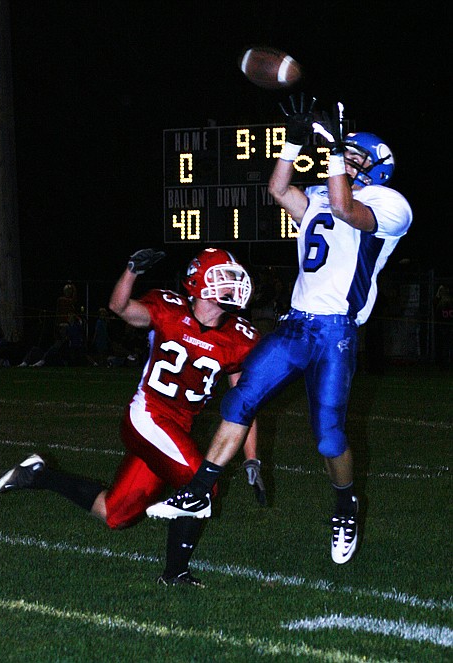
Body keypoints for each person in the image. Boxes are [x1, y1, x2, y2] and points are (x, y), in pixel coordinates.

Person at [146, 94, 413, 566]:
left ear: (377, 170)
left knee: (328, 436)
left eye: (356, 156)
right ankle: (200, 490)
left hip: (337, 332)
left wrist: (332, 150)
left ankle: (346, 504)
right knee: (241, 396)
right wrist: (292, 142)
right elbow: (277, 189)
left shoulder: (389, 205)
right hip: (295, 324)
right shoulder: (318, 196)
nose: (347, 159)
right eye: (344, 153)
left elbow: (346, 208)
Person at [0, 247, 264, 586]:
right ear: (197, 281)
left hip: (178, 428)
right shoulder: (169, 309)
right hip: (147, 416)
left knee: (115, 513)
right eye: (225, 276)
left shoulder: (239, 337)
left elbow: (244, 403)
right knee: (201, 483)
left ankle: (38, 475)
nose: (234, 284)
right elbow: (120, 307)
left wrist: (252, 458)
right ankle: (175, 573)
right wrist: (132, 270)